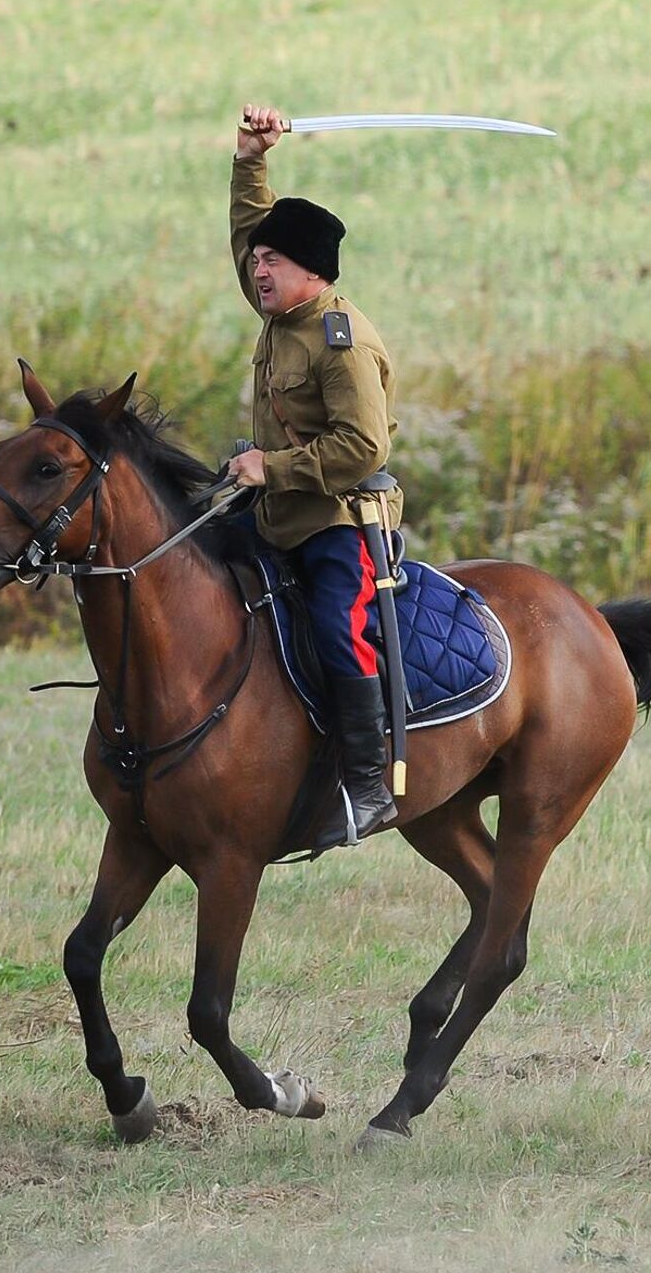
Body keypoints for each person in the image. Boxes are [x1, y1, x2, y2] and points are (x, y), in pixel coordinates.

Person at [227, 103, 404, 849]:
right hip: (273, 512)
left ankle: (367, 787)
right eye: (258, 262)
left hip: (339, 521)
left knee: (338, 630)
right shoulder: (278, 311)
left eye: (273, 262)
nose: (257, 270)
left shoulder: (341, 341)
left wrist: (272, 467)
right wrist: (250, 158)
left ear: (314, 272)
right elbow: (247, 230)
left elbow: (361, 448)